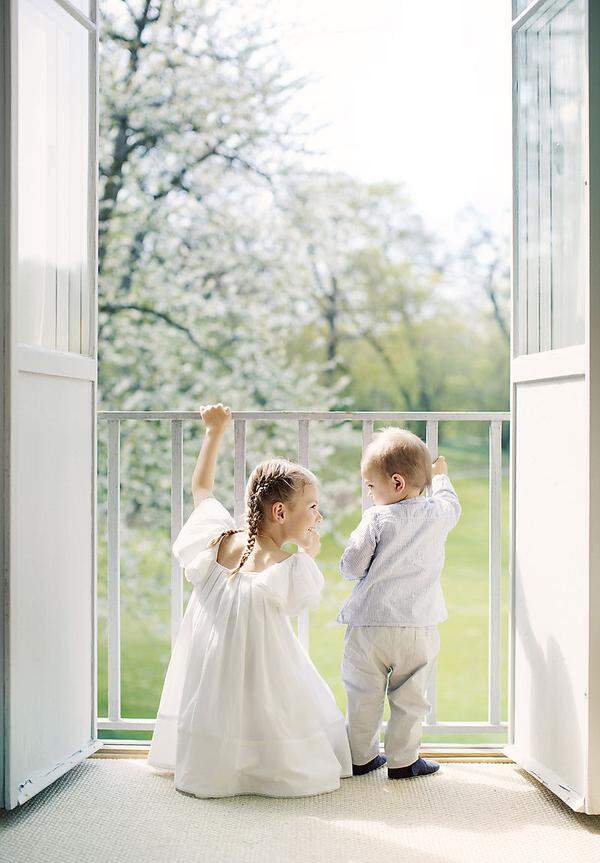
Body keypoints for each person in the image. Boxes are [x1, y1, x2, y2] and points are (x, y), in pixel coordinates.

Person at [148, 403, 352, 797]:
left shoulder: (218, 540)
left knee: (225, 707)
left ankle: (223, 767)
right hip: (263, 668)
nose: (318, 516)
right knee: (277, 705)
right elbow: (300, 599)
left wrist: (215, 431)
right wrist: (308, 552)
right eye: (312, 507)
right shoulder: (289, 566)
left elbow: (202, 490)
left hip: (212, 671)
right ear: (279, 511)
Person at [337, 427, 461, 780]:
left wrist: (349, 564)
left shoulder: (376, 518)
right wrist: (442, 476)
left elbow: (352, 566)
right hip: (417, 627)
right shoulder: (438, 514)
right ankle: (403, 761)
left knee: (362, 694)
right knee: (410, 697)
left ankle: (360, 758)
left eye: (371, 486)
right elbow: (452, 504)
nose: (369, 493)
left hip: (368, 627)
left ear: (396, 483)